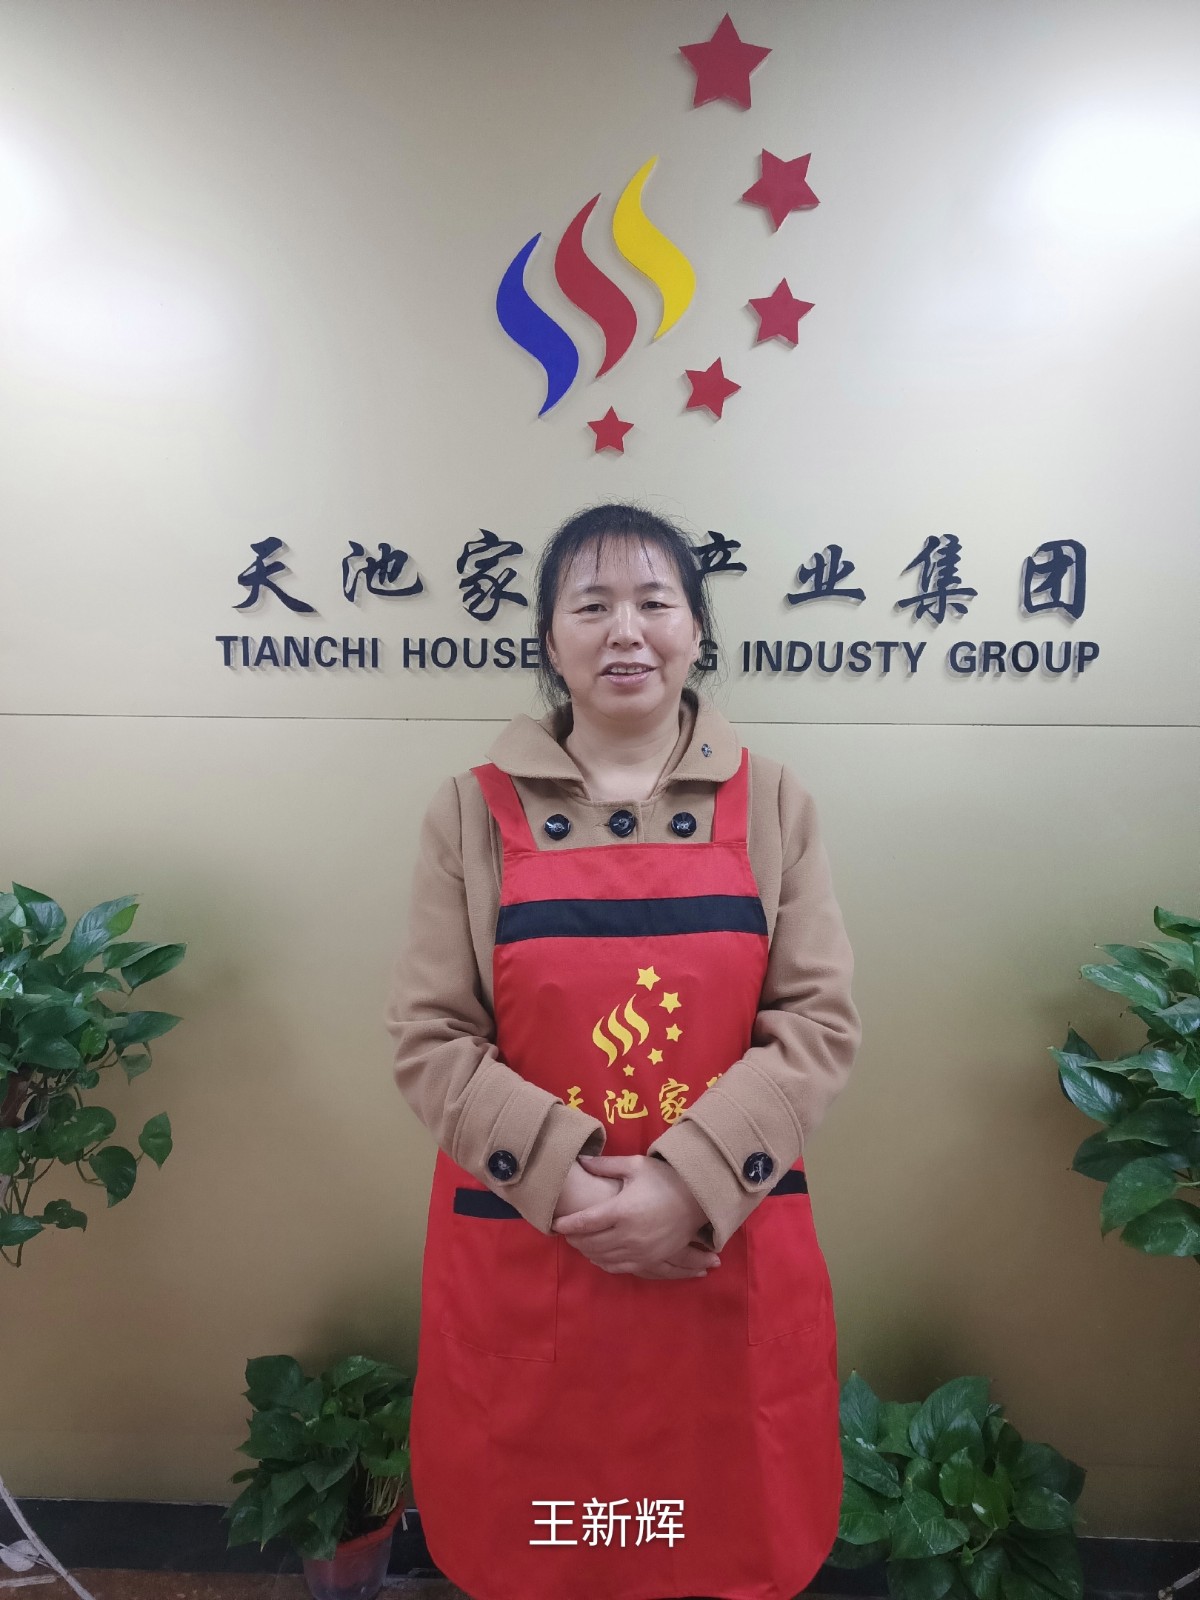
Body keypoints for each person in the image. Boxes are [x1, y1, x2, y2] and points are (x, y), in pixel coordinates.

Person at [385, 502, 862, 1600]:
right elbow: (430, 1038)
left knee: (723, 1543)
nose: (626, 630)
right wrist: (576, 1194)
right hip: (534, 1250)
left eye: (655, 601)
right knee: (543, 1550)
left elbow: (817, 1023)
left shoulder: (774, 801)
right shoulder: (469, 813)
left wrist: (685, 1185)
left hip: (719, 1247)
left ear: (696, 629)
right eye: (591, 605)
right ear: (550, 641)